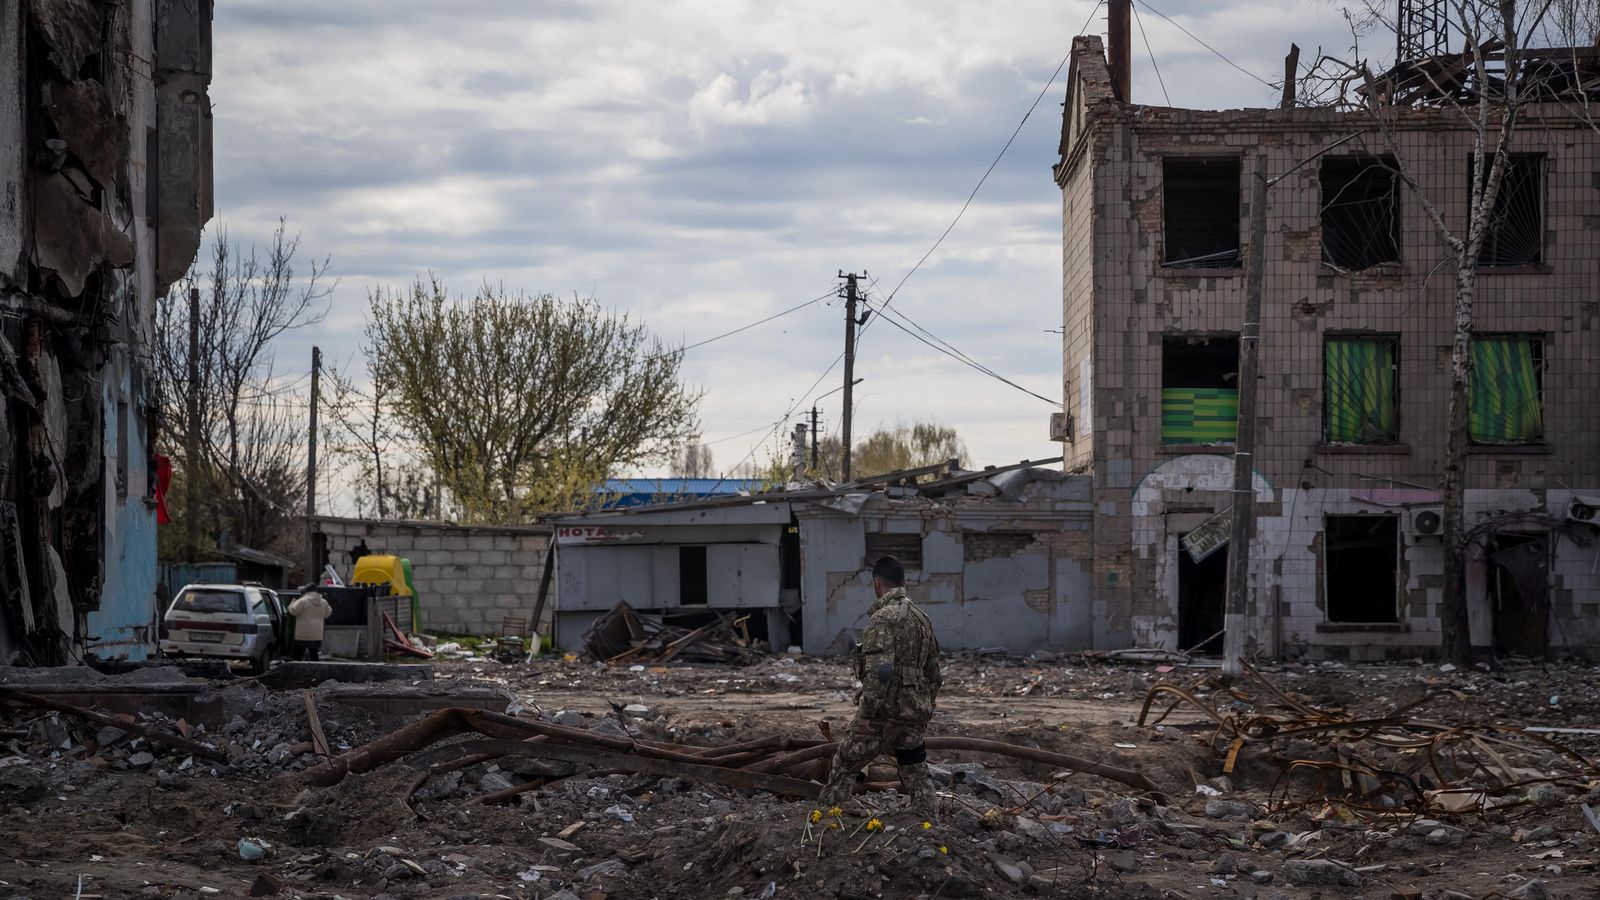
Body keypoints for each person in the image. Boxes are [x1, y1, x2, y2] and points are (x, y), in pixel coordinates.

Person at [818, 555, 942, 819]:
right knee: (914, 767)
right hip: (914, 712)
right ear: (903, 582)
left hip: (883, 713)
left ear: (877, 582)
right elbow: (934, 673)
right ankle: (929, 824)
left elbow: (882, 671)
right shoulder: (923, 618)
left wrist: (866, 714)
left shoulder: (882, 619)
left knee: (844, 764)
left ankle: (825, 822)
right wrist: (925, 706)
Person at [287, 584, 333, 661]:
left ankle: (296, 670)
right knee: (314, 654)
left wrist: (292, 603)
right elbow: (328, 613)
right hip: (317, 634)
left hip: (302, 633)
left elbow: (293, 611)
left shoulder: (302, 601)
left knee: (298, 654)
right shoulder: (324, 602)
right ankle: (315, 670)